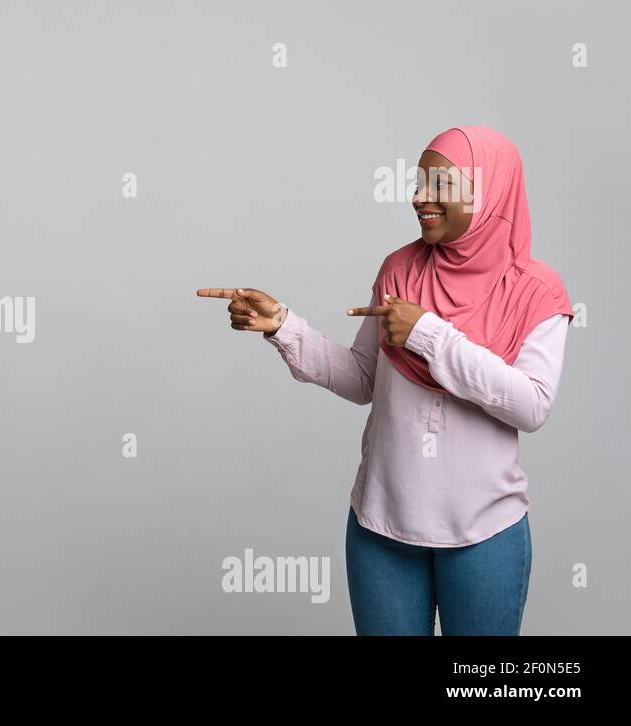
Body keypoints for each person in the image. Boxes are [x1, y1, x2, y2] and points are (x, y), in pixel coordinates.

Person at [197, 126, 573, 635]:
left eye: (440, 185)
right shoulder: (399, 269)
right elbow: (362, 378)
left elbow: (532, 406)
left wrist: (429, 335)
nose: (419, 196)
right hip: (381, 530)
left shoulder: (537, 291)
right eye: (418, 183)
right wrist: (284, 325)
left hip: (486, 535)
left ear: (489, 193)